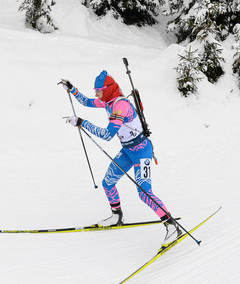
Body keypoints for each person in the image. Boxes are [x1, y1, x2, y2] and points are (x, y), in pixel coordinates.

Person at [60, 70, 183, 245]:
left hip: (142, 152)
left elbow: (107, 135)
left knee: (144, 192)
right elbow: (87, 102)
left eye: (98, 90)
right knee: (107, 183)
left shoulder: (120, 106)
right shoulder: (107, 101)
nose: (96, 94)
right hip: (127, 151)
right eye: (95, 91)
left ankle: (172, 226)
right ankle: (117, 216)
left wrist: (82, 123)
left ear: (108, 89)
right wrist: (72, 90)